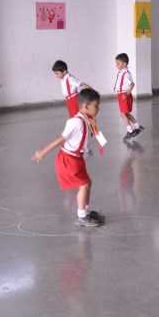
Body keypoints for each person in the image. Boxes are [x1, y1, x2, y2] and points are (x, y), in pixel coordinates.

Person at [33, 88, 106, 227]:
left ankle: (85, 212)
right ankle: (82, 217)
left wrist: (92, 147)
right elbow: (61, 139)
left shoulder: (88, 119)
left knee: (88, 183)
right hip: (68, 160)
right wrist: (43, 152)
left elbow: (88, 135)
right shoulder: (75, 122)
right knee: (84, 185)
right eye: (96, 106)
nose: (98, 109)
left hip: (77, 159)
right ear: (86, 106)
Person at [114, 53, 143, 140]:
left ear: (124, 64)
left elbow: (132, 84)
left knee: (123, 114)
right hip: (121, 94)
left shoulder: (126, 73)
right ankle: (137, 126)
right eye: (116, 63)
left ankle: (130, 131)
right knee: (126, 113)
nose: (116, 65)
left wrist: (126, 94)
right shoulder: (122, 72)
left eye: (118, 63)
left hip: (123, 95)